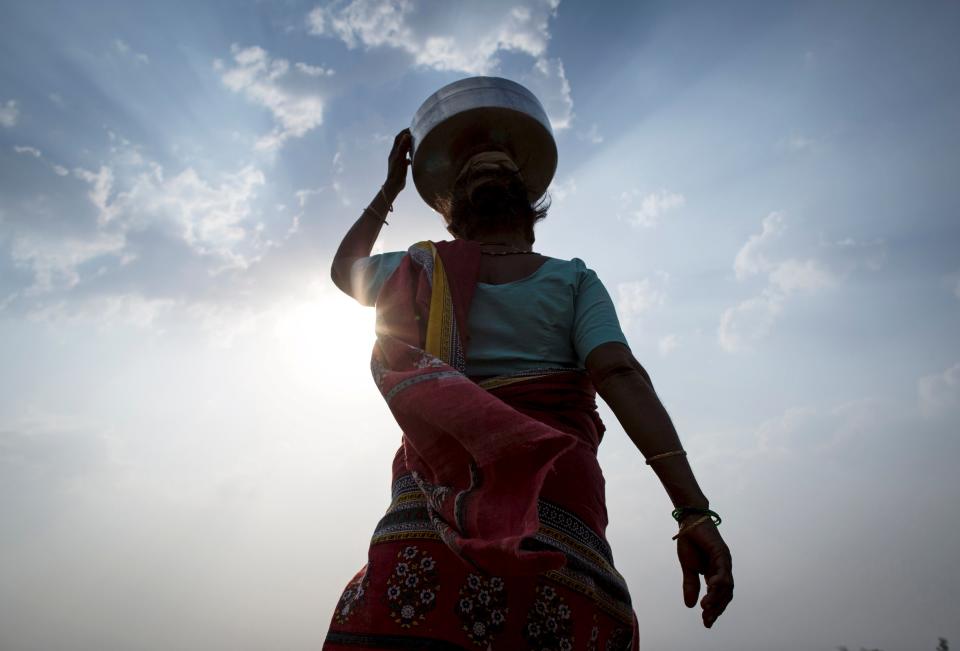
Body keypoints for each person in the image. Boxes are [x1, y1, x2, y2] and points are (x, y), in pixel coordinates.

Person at [324, 129, 733, 650]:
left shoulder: (418, 268)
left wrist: (390, 189)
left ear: (453, 213)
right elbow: (619, 374)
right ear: (530, 209)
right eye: (484, 171)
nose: (489, 174)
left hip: (439, 496)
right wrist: (692, 509)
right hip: (555, 487)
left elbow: (344, 271)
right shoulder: (573, 280)